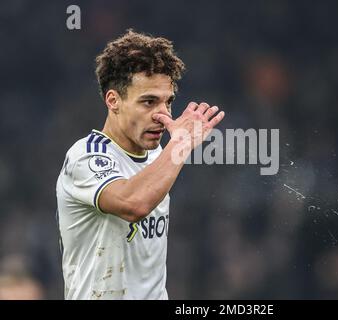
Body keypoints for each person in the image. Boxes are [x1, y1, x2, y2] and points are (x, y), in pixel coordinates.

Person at [56, 29, 225, 300]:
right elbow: (133, 204)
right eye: (148, 102)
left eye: (167, 102)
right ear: (113, 101)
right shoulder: (86, 156)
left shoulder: (159, 155)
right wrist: (180, 145)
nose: (163, 115)